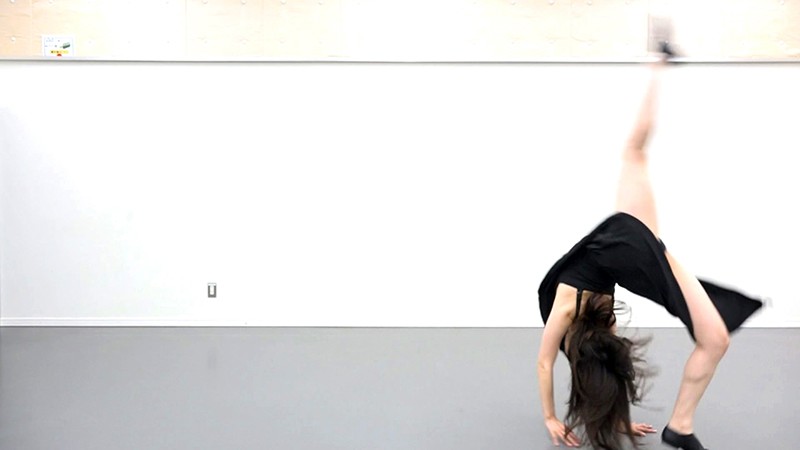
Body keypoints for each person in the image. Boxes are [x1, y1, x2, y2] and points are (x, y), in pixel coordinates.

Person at [536, 49, 764, 450]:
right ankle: (657, 66)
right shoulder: (589, 324)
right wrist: (619, 420)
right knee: (634, 153)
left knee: (714, 338)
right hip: (618, 241)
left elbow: (545, 362)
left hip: (622, 246)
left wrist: (551, 418)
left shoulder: (570, 307)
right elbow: (565, 364)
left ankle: (681, 425)